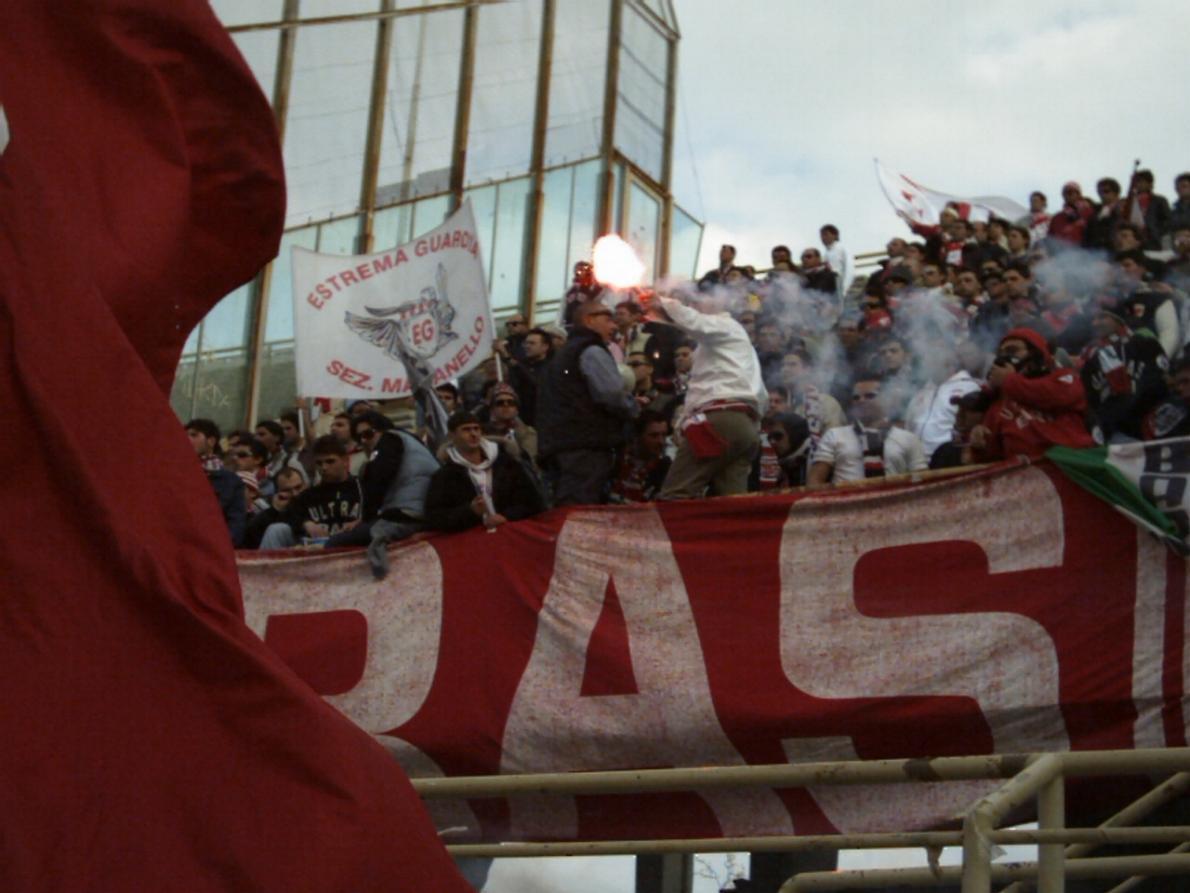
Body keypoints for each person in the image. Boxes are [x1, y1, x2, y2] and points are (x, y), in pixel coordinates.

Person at [647, 291, 766, 499]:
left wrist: (663, 302)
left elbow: (694, 321)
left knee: (674, 495)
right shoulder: (738, 349)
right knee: (730, 503)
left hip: (719, 421)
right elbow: (762, 397)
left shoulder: (726, 325)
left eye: (700, 299)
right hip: (746, 428)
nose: (694, 305)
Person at [536, 300, 641, 505]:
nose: (614, 326)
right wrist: (633, 407)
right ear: (589, 320)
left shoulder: (561, 356)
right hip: (586, 445)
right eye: (608, 319)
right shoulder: (591, 350)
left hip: (560, 445)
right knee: (581, 508)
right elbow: (612, 393)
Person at [970, 328, 1095, 461]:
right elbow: (990, 456)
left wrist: (1009, 381)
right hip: (1029, 471)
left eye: (1012, 351)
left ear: (1035, 352)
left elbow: (1055, 395)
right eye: (1001, 353)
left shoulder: (1063, 378)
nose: (1004, 357)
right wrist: (979, 442)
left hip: (1072, 464)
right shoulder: (1000, 401)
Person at [346, 410, 441, 577]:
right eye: (359, 439)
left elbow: (379, 481)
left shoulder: (389, 439)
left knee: (337, 542)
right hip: (422, 511)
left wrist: (366, 519)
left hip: (407, 515)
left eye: (368, 434)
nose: (364, 441)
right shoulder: (410, 442)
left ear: (382, 429)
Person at [424, 411, 544, 532]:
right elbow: (435, 518)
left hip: (511, 533)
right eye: (466, 430)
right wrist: (470, 511)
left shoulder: (506, 465)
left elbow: (533, 502)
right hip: (472, 538)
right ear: (452, 436)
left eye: (476, 429)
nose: (473, 434)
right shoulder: (445, 476)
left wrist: (506, 516)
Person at [807, 376, 927, 487]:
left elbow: (922, 482)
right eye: (856, 398)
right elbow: (815, 480)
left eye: (870, 396)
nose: (861, 400)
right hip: (847, 501)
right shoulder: (834, 435)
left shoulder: (908, 439)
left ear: (886, 399)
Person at [1079, 305, 1168, 443]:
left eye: (1102, 317)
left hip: (1154, 422)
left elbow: (1160, 379)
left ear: (1119, 319)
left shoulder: (1144, 343)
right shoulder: (1091, 358)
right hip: (1115, 433)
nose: (1095, 323)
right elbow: (1091, 400)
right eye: (1094, 319)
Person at [259, 436, 364, 549]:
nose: (324, 467)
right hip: (315, 549)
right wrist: (305, 523)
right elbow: (288, 515)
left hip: (355, 547)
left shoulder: (362, 487)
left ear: (345, 461)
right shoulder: (309, 494)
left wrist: (362, 522)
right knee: (277, 529)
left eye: (330, 461)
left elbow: (376, 517)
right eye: (319, 463)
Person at [185, 418, 245, 547]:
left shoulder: (230, 481)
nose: (187, 439)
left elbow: (235, 523)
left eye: (194, 435)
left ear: (211, 441)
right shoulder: (176, 473)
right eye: (185, 435)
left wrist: (220, 546)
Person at [609, 411, 674, 503]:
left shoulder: (664, 468)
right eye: (654, 436)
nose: (661, 441)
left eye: (664, 435)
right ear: (638, 436)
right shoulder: (616, 459)